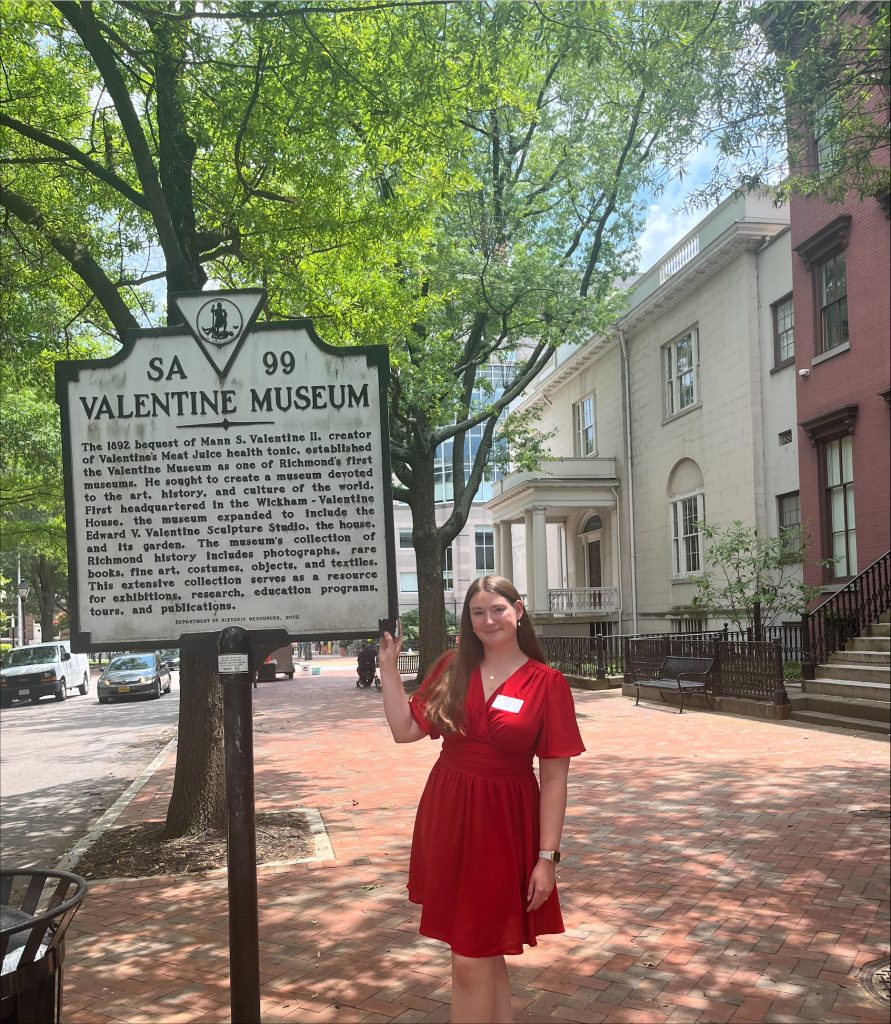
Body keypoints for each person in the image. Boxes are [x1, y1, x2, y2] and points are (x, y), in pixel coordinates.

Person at [378, 576, 585, 1023]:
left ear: (519, 610)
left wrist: (546, 857)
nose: (488, 620)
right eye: (477, 612)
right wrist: (389, 671)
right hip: (449, 815)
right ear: (468, 621)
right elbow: (405, 731)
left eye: (497, 609)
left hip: (503, 825)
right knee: (481, 951)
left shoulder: (546, 683)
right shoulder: (454, 667)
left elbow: (554, 779)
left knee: (471, 956)